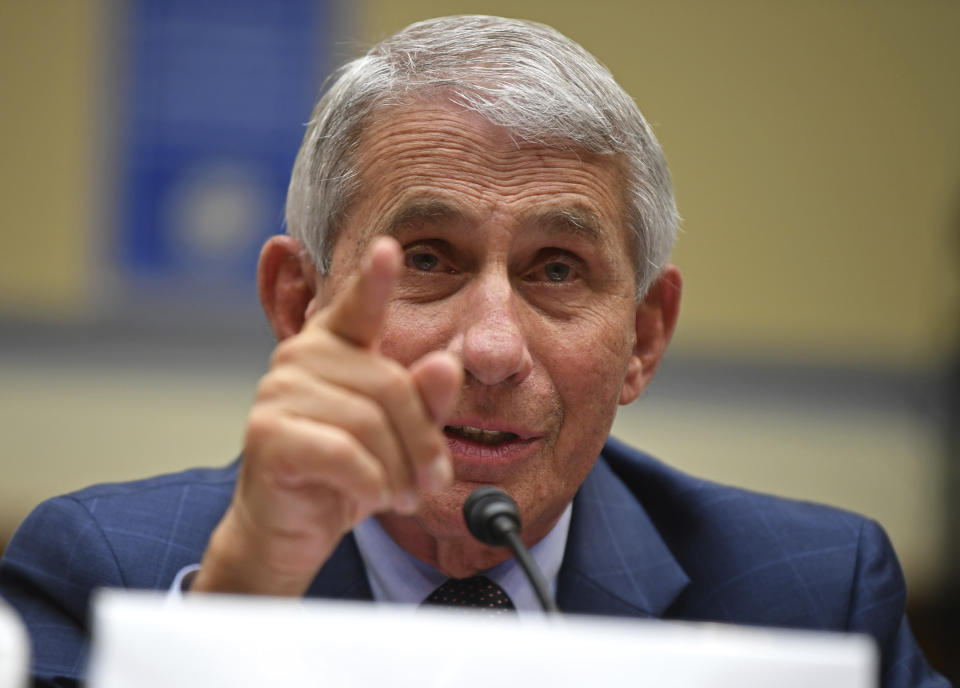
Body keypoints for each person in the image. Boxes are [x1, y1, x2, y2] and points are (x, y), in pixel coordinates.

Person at [0, 15, 949, 688]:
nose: (493, 349)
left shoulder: (811, 594)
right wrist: (247, 597)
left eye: (558, 270)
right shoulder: (108, 573)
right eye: (425, 258)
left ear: (644, 338)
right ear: (297, 303)